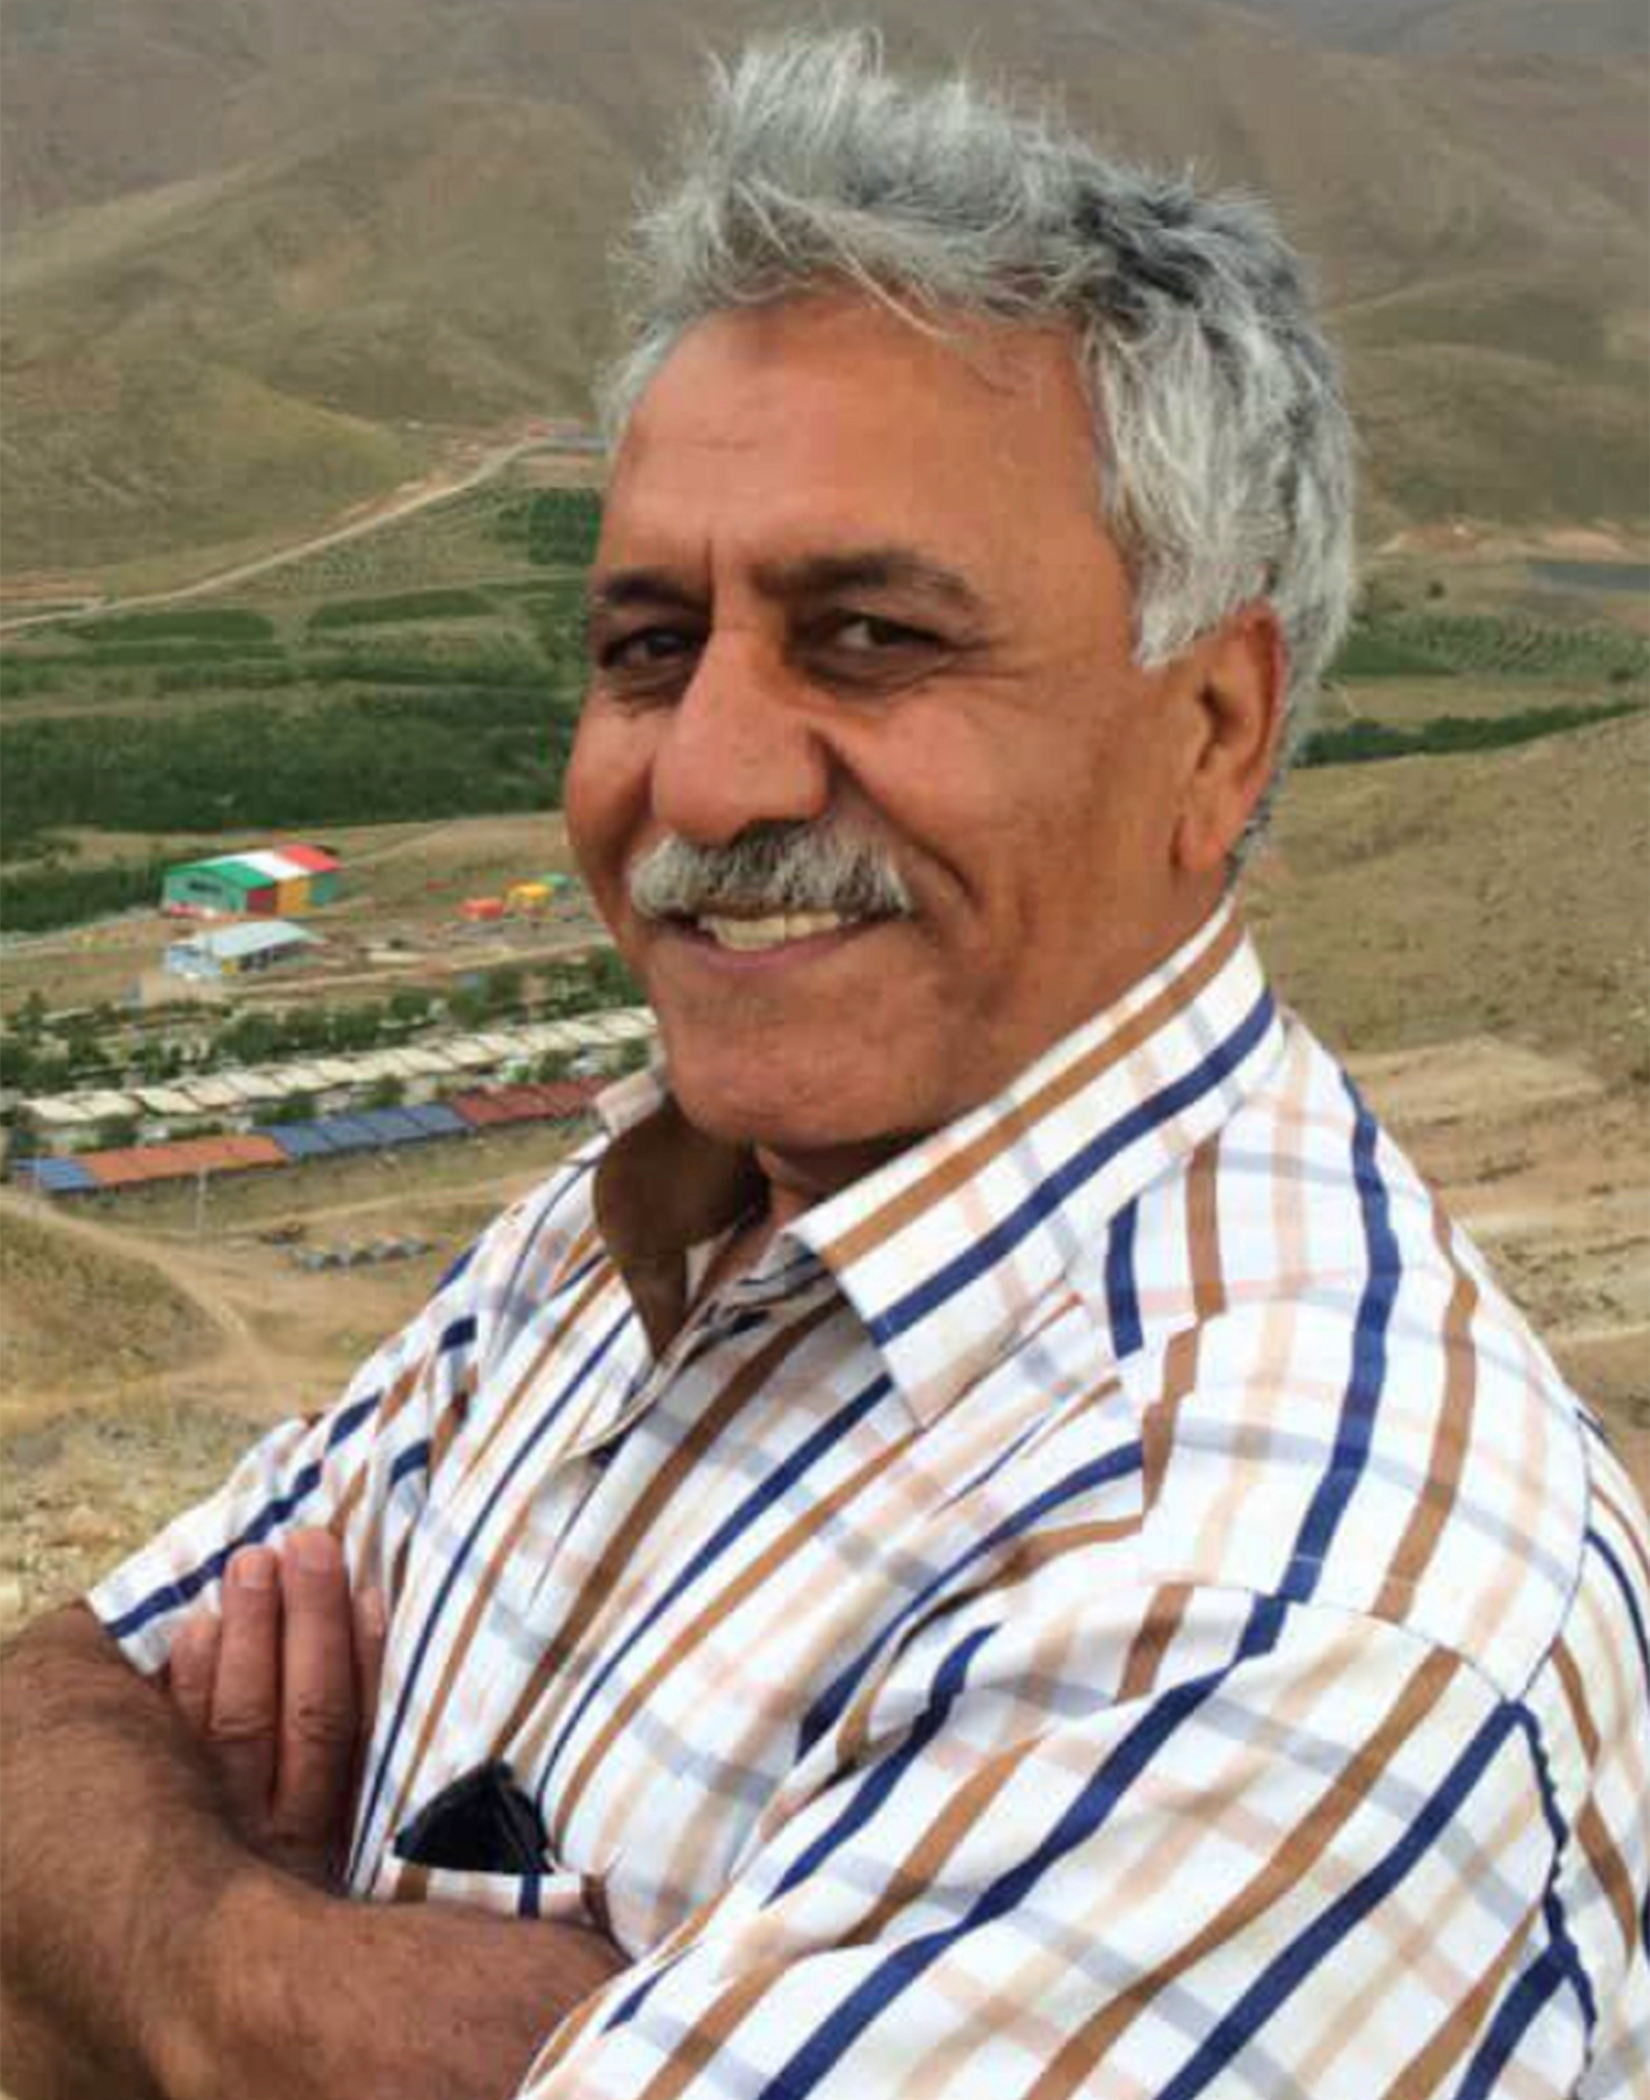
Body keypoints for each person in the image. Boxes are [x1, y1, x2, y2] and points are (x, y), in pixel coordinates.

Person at [3, 31, 1646, 2100]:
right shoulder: (626, 1232)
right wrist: (245, 1991)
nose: (704, 779)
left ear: (1214, 729)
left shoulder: (1283, 1611)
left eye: (871, 636)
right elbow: (56, 1692)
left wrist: (133, 1946)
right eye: (647, 647)